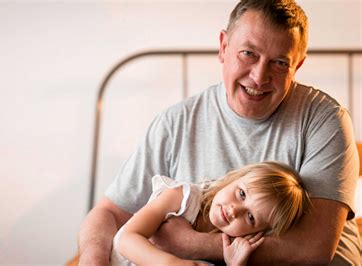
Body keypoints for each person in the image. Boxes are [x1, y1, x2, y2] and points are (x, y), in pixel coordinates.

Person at [78, 0, 361, 264]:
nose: (259, 77)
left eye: (279, 63)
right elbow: (110, 213)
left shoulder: (325, 120)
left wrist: (187, 243)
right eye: (248, 53)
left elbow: (313, 250)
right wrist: (93, 260)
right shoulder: (175, 123)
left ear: (297, 65)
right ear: (223, 47)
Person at [110, 161, 310, 266]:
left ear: (259, 232)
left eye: (250, 217)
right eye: (241, 193)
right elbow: (125, 238)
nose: (234, 211)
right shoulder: (181, 197)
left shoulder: (228, 244)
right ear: (234, 178)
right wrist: (171, 263)